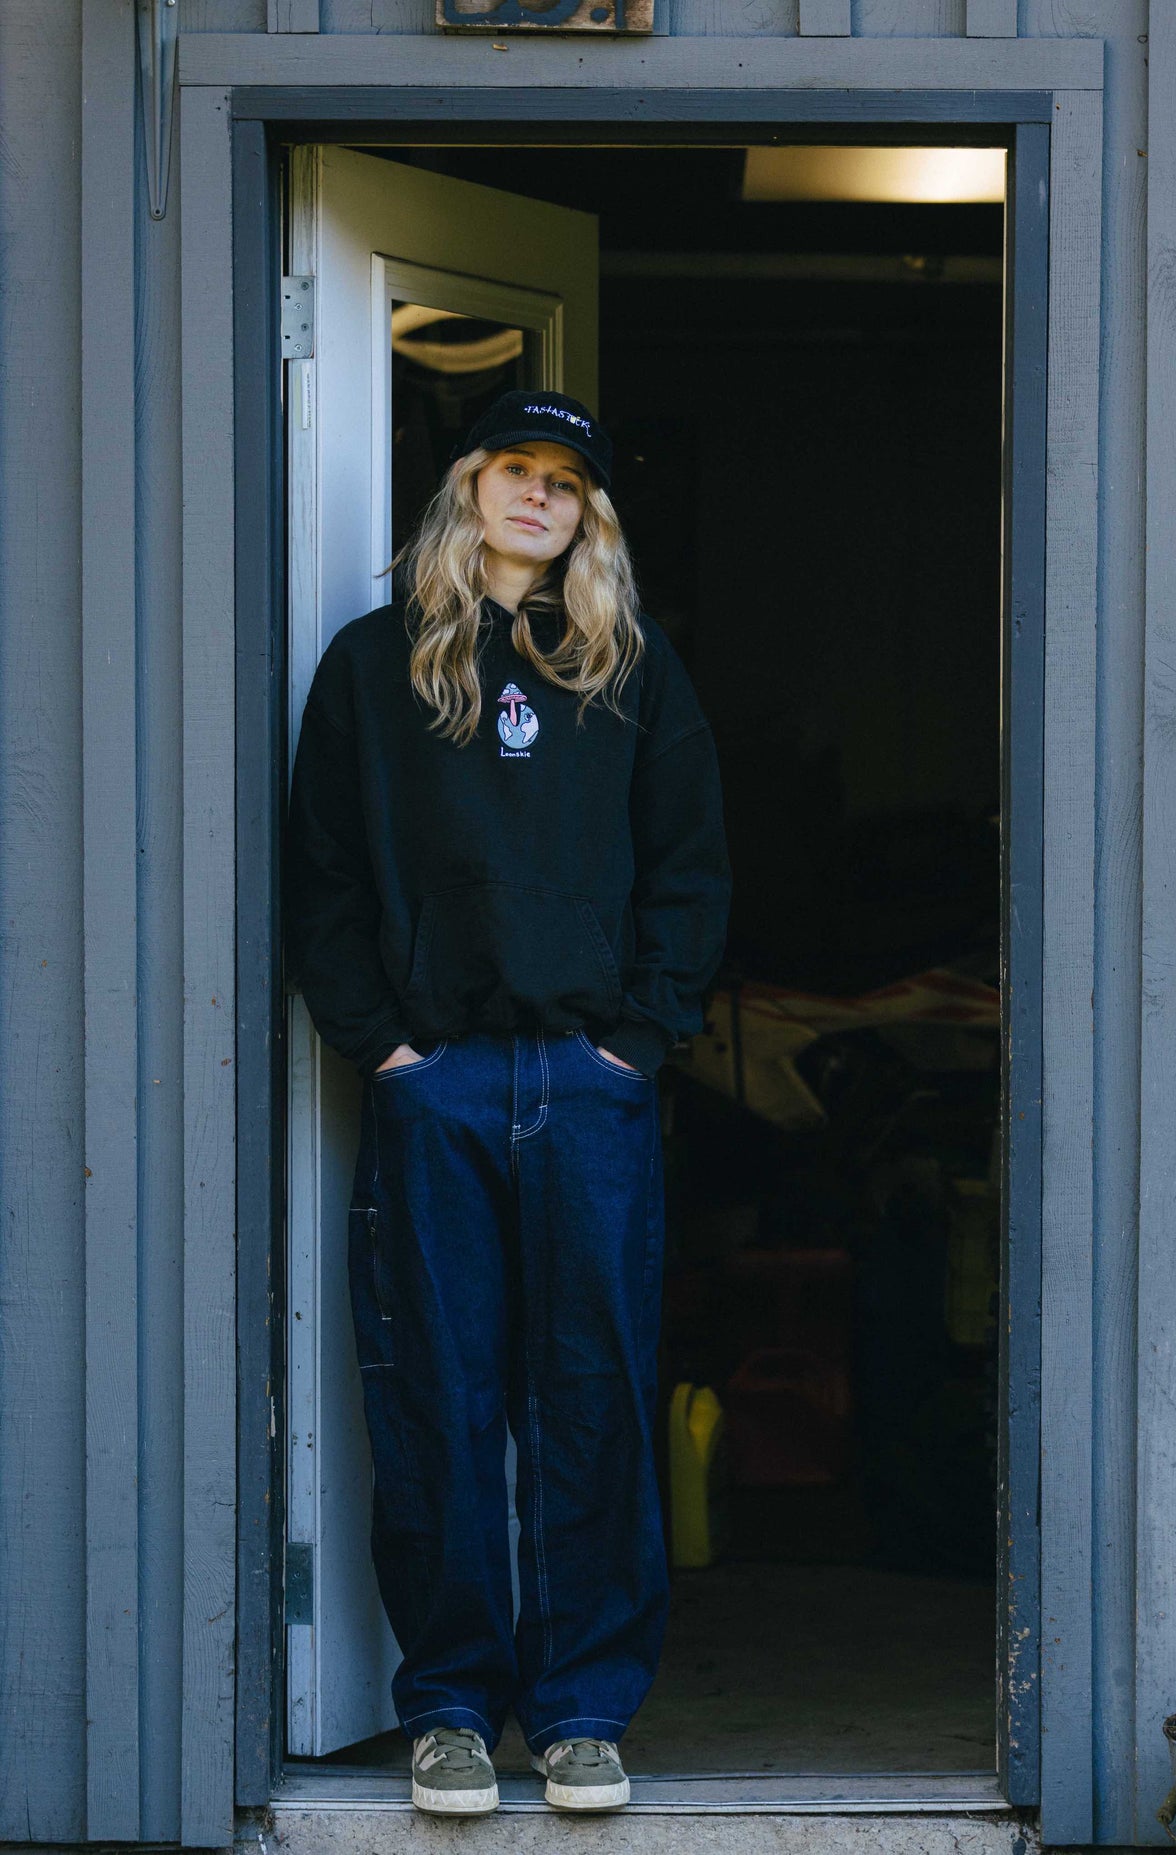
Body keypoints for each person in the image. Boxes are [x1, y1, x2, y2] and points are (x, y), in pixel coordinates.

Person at [283, 389, 732, 1816]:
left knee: (590, 1396)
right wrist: (389, 1054)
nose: (539, 495)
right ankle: (454, 1711)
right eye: (515, 470)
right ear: (468, 485)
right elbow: (324, 879)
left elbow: (690, 873)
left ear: (591, 512)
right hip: (443, 1085)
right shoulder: (372, 671)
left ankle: (585, 1710)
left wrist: (636, 1049)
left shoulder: (633, 671)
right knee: (438, 1397)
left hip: (590, 1087)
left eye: (567, 480)